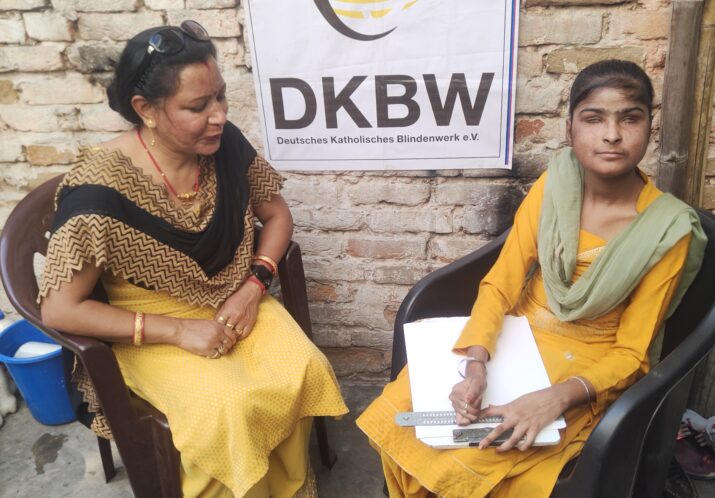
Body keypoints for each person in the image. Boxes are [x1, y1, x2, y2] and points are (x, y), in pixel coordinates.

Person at [356, 59, 708, 497]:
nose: (612, 134)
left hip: (586, 368)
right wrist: (475, 364)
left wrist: (555, 398)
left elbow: (632, 353)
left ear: (649, 128)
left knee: (481, 454)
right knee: (409, 416)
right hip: (515, 338)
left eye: (629, 118)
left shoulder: (668, 229)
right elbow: (501, 283)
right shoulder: (553, 186)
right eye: (594, 118)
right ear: (569, 128)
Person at [39, 21, 347, 498]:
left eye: (220, 97)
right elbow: (60, 310)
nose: (219, 115)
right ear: (146, 110)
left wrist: (253, 287)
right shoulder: (100, 189)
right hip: (148, 326)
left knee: (301, 366)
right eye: (198, 106)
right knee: (227, 408)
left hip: (235, 299)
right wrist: (180, 331)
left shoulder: (224, 147)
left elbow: (278, 216)